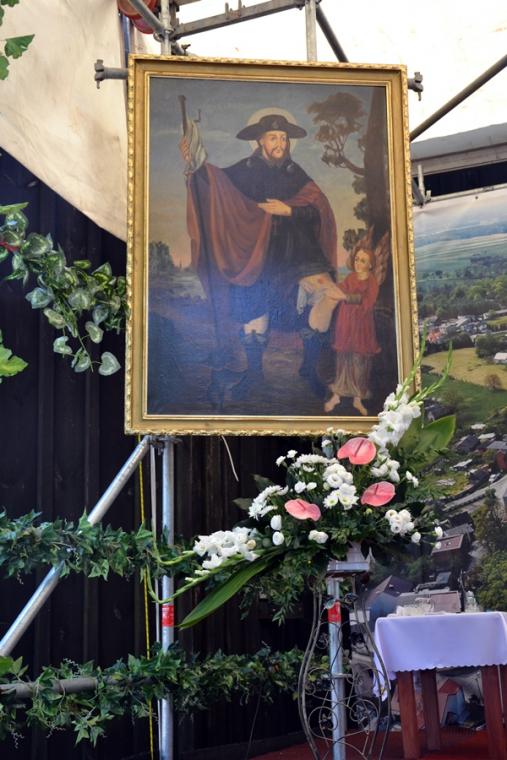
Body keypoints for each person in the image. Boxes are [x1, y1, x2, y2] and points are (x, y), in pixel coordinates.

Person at [180, 112, 345, 400]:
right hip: (258, 252)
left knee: (327, 296)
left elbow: (318, 209)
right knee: (254, 307)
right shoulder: (242, 171)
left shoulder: (295, 173)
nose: (280, 143)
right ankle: (254, 375)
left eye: (284, 138)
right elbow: (215, 190)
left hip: (299, 251)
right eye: (273, 138)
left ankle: (309, 369)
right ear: (260, 141)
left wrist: (289, 210)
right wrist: (195, 168)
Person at [324, 233, 380, 416]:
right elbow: (341, 289)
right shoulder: (350, 277)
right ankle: (337, 395)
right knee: (343, 359)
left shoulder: (372, 282)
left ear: (370, 264)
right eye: (357, 259)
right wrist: (330, 287)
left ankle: (357, 398)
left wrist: (346, 297)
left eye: (363, 260)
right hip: (346, 323)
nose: (358, 263)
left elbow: (368, 302)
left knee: (359, 361)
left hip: (362, 327)